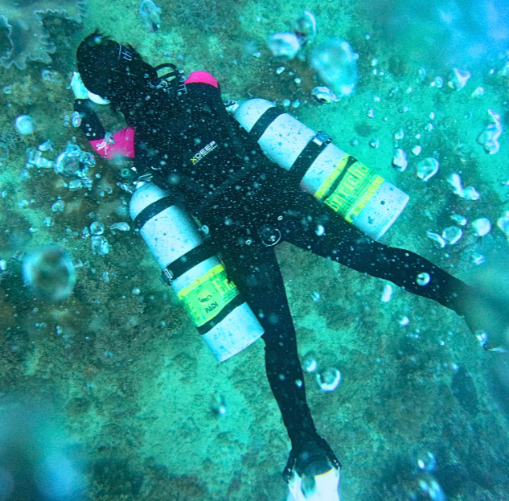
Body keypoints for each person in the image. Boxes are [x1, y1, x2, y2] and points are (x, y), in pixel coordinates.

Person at [71, 32, 509, 499]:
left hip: (236, 236)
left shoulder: (131, 142)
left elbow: (103, 148)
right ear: (139, 60)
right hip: (280, 199)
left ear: (107, 97)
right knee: (374, 257)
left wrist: (85, 112)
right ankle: (475, 307)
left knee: (279, 341)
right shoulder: (198, 85)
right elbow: (207, 86)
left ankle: (308, 451)